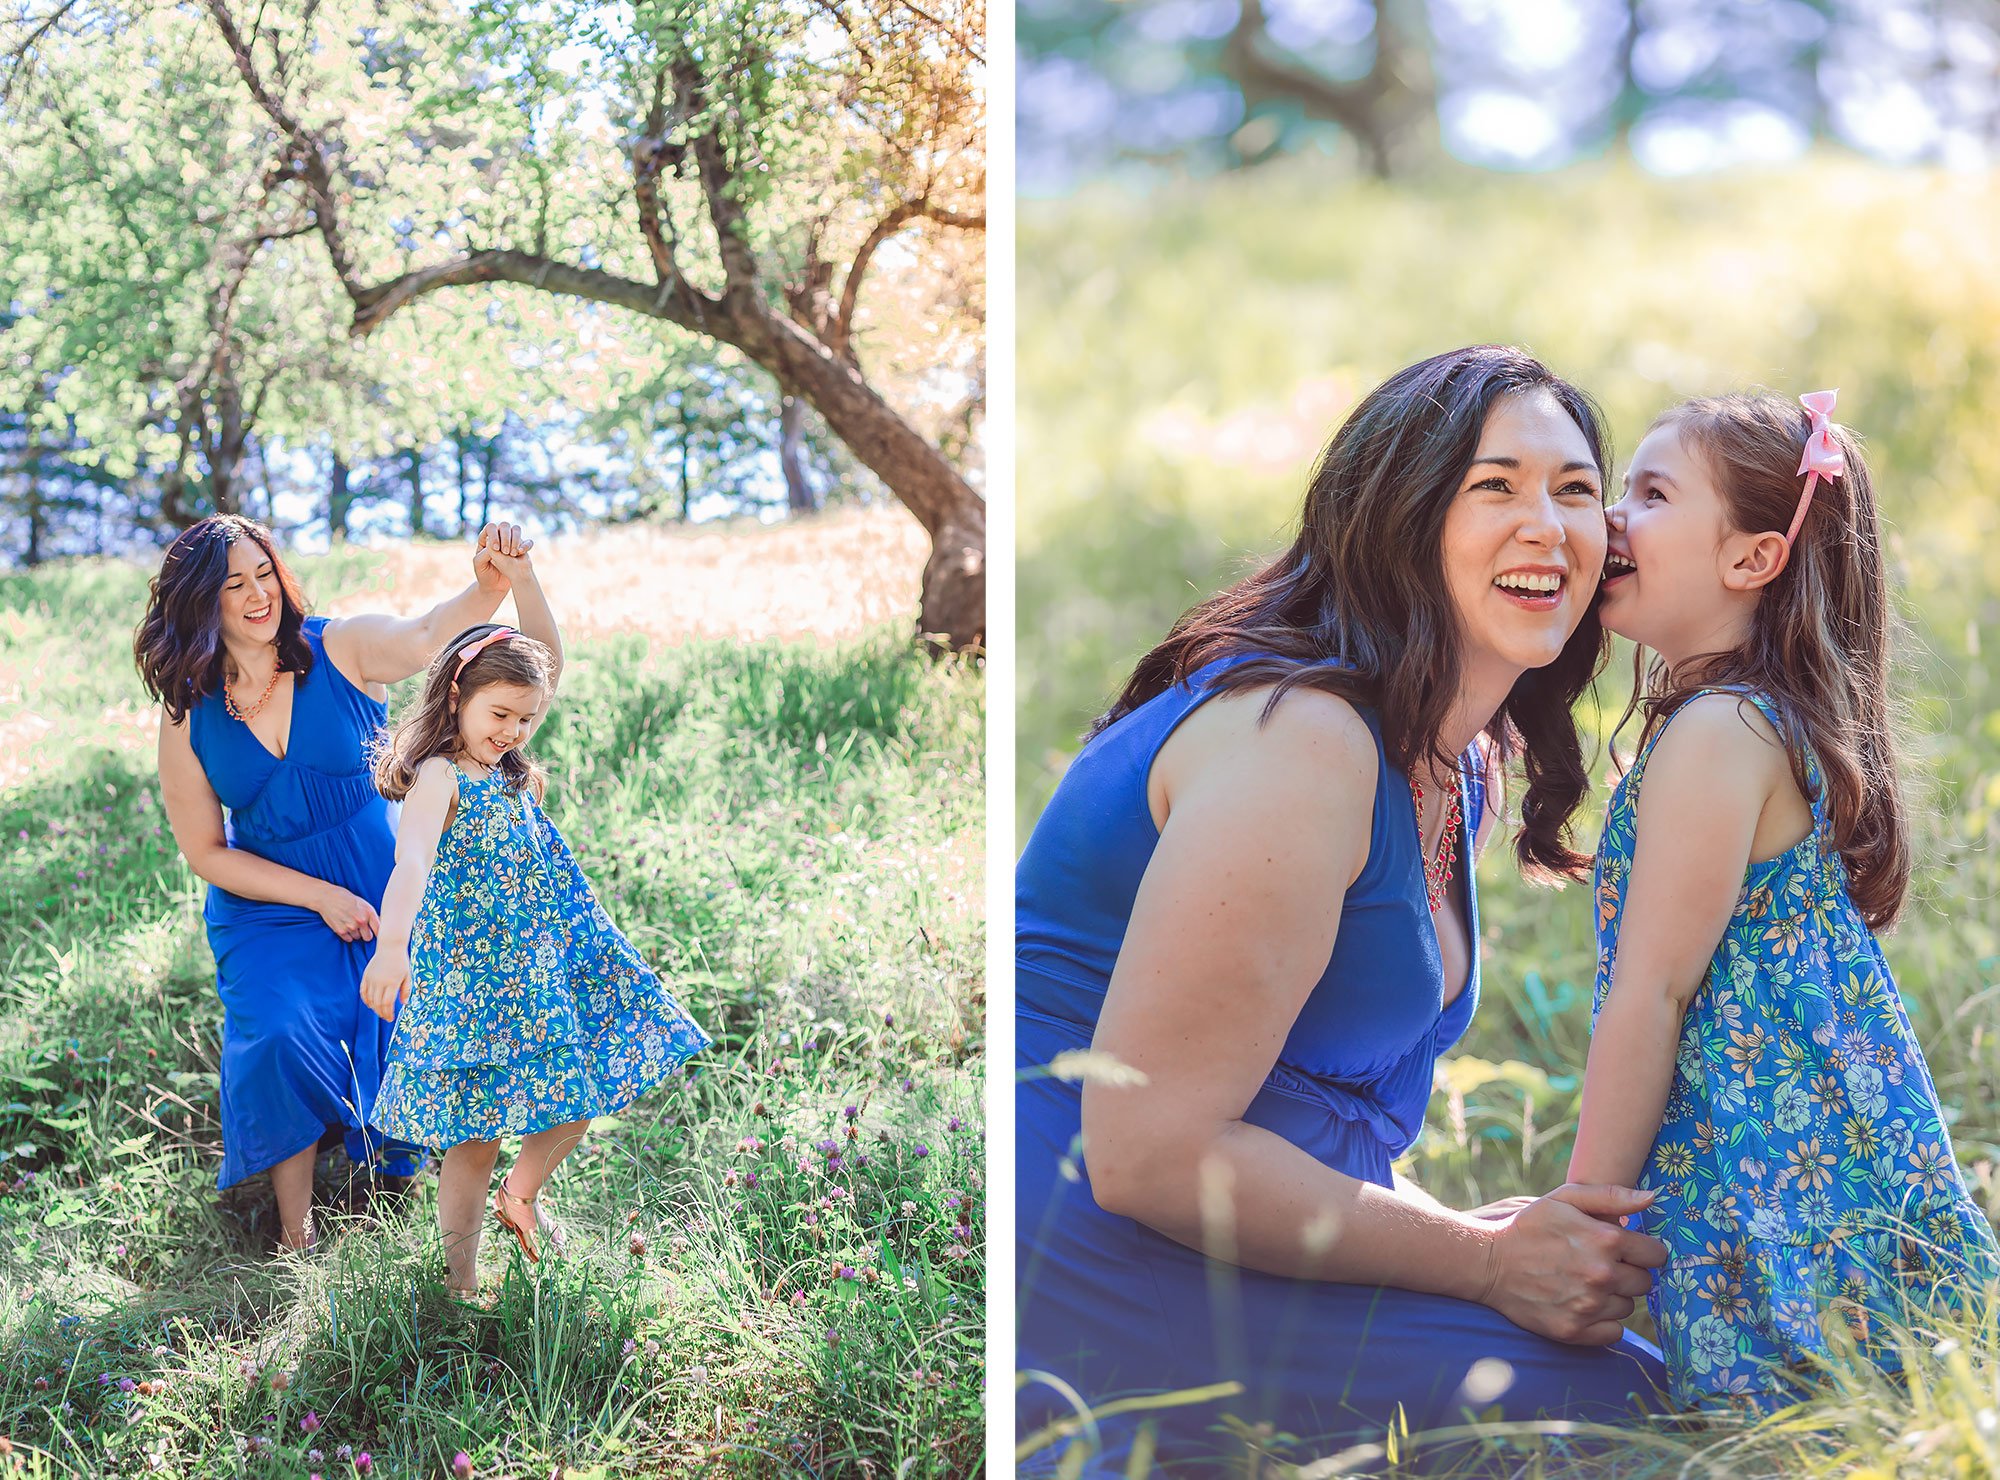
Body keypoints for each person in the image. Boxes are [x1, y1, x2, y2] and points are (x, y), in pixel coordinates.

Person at [1017, 347, 1670, 1474]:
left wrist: (1481, 1237)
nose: (1547, 525)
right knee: (1609, 1419)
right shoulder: (1303, 740)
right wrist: (1478, 1262)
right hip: (1089, 1254)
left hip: (1224, 1236)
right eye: (1492, 486)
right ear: (1397, 517)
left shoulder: (1451, 758)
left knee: (1647, 1377)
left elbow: (1292, 1106)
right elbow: (1145, 1156)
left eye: (1573, 490)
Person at [1571, 389, 1998, 1411]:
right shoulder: (1742, 719)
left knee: (1813, 1412)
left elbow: (1651, 992)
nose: (1609, 518)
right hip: (1797, 1146)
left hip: (1784, 1167)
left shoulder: (1718, 731)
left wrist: (1576, 1222)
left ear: (1750, 559)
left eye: (1650, 491)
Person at [141, 513, 535, 1252]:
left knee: (403, 1014)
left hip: (375, 873)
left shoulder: (338, 647)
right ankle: (297, 1235)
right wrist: (318, 897)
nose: (258, 594)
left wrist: (484, 589)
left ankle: (396, 1171)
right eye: (234, 584)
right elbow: (205, 851)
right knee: (279, 1033)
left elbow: (425, 635)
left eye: (265, 573)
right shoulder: (186, 711)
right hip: (268, 903)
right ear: (200, 602)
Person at [361, 542, 712, 1295]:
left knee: (579, 1096)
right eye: (500, 714)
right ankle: (459, 1285)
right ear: (456, 695)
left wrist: (523, 579)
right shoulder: (439, 776)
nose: (515, 729)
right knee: (474, 1140)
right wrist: (392, 947)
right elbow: (411, 862)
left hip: (542, 968)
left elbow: (544, 657)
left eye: (525, 717)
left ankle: (521, 1197)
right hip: (469, 983)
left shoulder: (510, 768)